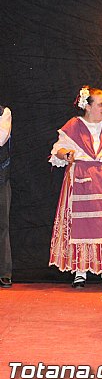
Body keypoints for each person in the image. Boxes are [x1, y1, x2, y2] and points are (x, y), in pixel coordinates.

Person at [49, 85, 102, 287]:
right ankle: (81, 269)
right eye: (100, 104)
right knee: (83, 225)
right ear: (87, 106)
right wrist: (65, 154)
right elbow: (58, 149)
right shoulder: (74, 126)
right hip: (83, 183)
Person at [0, 106, 12, 288]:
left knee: (2, 224)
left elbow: (1, 138)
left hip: (1, 178)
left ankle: (4, 272)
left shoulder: (4, 112)